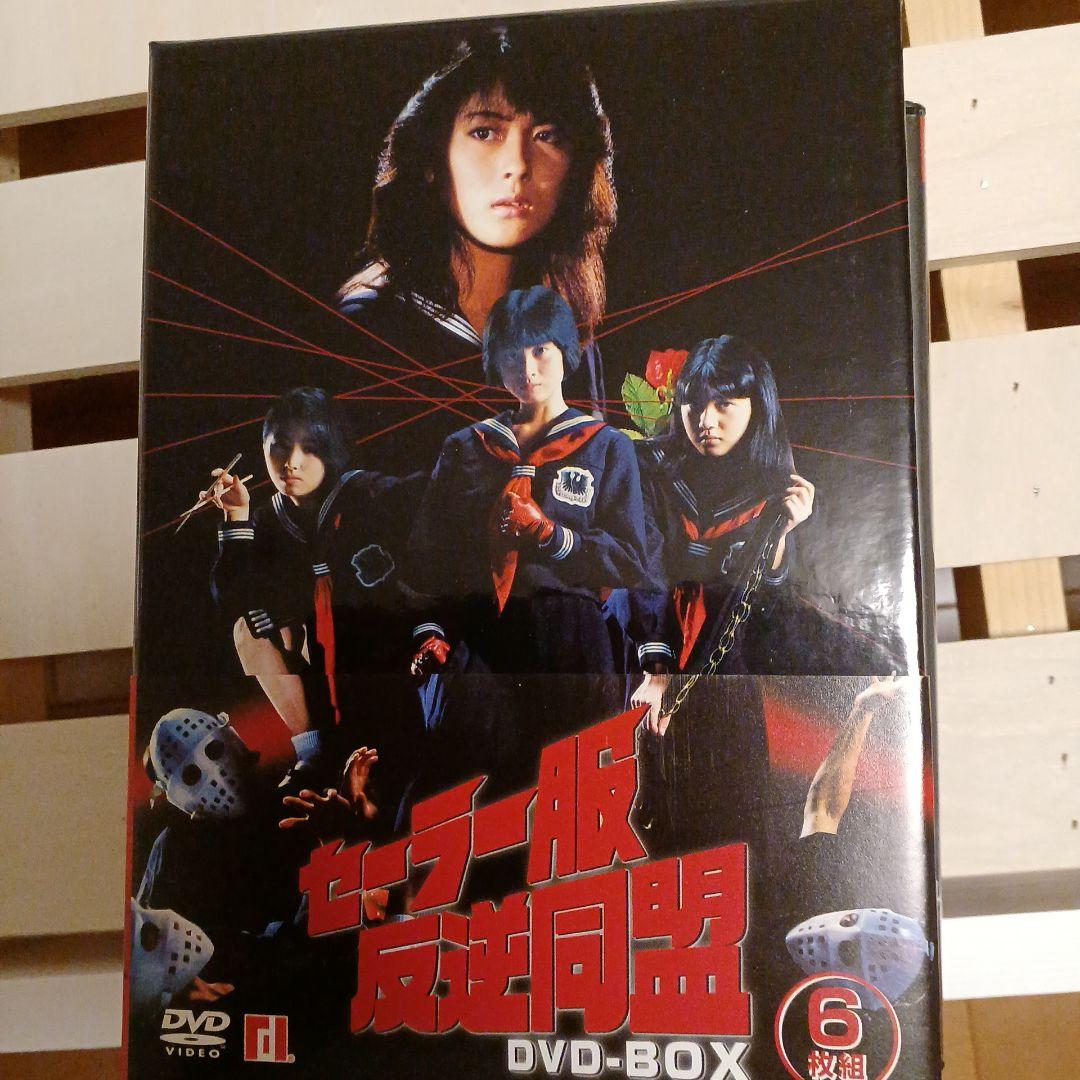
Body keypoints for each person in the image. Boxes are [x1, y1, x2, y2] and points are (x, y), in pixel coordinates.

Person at [337, 26, 616, 474]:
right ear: (433, 157)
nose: (518, 166)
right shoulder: (369, 322)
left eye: (547, 136)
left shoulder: (566, 324)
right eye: (485, 132)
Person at [405, 286, 650, 794]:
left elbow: (631, 562)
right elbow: (426, 563)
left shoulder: (607, 448)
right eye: (512, 354)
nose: (528, 368)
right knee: (482, 795)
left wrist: (552, 536)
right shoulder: (464, 449)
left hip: (574, 644)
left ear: (566, 352)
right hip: (483, 642)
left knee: (572, 793)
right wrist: (429, 633)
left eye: (540, 350)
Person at [621, 336, 814, 855]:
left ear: (756, 406)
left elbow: (768, 618)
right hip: (645, 657)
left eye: (725, 404)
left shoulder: (776, 493)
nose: (706, 420)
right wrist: (657, 670)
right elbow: (641, 570)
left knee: (729, 828)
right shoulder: (650, 471)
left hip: (724, 678)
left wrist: (781, 536)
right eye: (693, 403)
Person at [206, 387, 424, 810]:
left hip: (382, 667)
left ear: (331, 448)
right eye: (280, 448)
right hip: (317, 674)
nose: (292, 462)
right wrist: (235, 515)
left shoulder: (366, 493)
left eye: (309, 448)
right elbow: (231, 597)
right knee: (248, 629)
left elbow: (428, 501)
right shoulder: (267, 519)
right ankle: (312, 751)